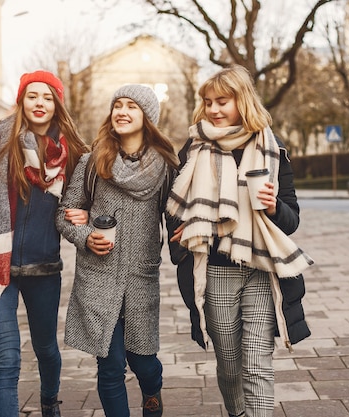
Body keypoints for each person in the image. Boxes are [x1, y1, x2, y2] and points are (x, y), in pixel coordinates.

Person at [166, 65, 313, 417]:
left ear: (242, 100)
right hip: (215, 271)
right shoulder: (194, 147)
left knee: (257, 363)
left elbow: (291, 221)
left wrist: (273, 205)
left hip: (260, 268)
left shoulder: (273, 149)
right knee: (230, 365)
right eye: (208, 102)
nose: (214, 109)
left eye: (223, 101)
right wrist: (182, 228)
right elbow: (173, 205)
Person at [0, 70, 90, 417]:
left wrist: (83, 217)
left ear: (57, 104)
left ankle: (50, 400)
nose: (40, 103)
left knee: (46, 348)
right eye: (32, 96)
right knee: (7, 353)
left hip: (43, 268)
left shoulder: (73, 153)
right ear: (21, 101)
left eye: (48, 97)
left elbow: (85, 200)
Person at [56, 84, 178, 417]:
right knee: (110, 367)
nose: (121, 112)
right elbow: (64, 214)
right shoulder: (93, 162)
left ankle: (152, 390)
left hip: (141, 279)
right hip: (98, 278)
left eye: (132, 107)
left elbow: (178, 219)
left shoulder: (166, 167)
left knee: (143, 361)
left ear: (147, 118)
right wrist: (84, 235)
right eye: (117, 105)